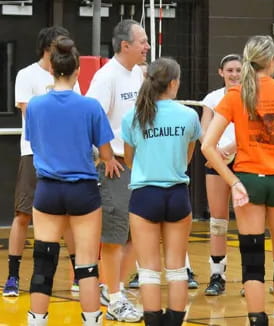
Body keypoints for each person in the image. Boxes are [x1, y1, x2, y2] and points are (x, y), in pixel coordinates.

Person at [201, 35, 274, 326]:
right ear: (272, 62)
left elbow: (207, 146)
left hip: (248, 181)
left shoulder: (236, 95)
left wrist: (233, 181)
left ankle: (256, 320)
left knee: (252, 260)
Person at [25, 36, 117, 326]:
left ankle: (36, 320)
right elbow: (105, 153)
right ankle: (91, 321)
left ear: (51, 69)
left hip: (48, 190)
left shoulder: (36, 106)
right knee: (87, 267)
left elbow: (36, 144)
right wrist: (102, 158)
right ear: (78, 70)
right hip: (83, 192)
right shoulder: (90, 107)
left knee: (43, 262)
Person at [121, 57, 201, 326]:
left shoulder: (132, 116)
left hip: (145, 196)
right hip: (178, 194)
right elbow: (187, 157)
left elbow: (130, 160)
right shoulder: (189, 115)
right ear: (174, 83)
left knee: (149, 271)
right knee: (177, 268)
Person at [3, 26, 80, 298]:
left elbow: (75, 108)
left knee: (70, 219)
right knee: (22, 214)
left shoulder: (71, 75)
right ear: (48, 46)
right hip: (34, 152)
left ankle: (78, 277)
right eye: (61, 43)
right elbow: (31, 111)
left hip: (65, 155)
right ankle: (12, 277)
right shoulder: (26, 74)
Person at [86, 19, 149, 322]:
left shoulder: (137, 73)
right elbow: (90, 120)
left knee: (134, 235)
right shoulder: (105, 77)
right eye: (142, 42)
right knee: (113, 237)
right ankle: (113, 299)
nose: (147, 47)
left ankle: (116, 289)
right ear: (126, 46)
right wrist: (106, 156)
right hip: (115, 168)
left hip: (138, 167)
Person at [200, 53, 242, 296]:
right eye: (230, 71)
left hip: (243, 160)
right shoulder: (212, 99)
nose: (234, 75)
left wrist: (229, 149)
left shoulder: (250, 96)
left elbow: (251, 130)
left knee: (248, 223)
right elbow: (203, 130)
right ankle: (217, 275)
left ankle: (251, 277)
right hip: (216, 162)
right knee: (217, 221)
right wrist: (214, 151)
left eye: (238, 70)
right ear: (221, 73)